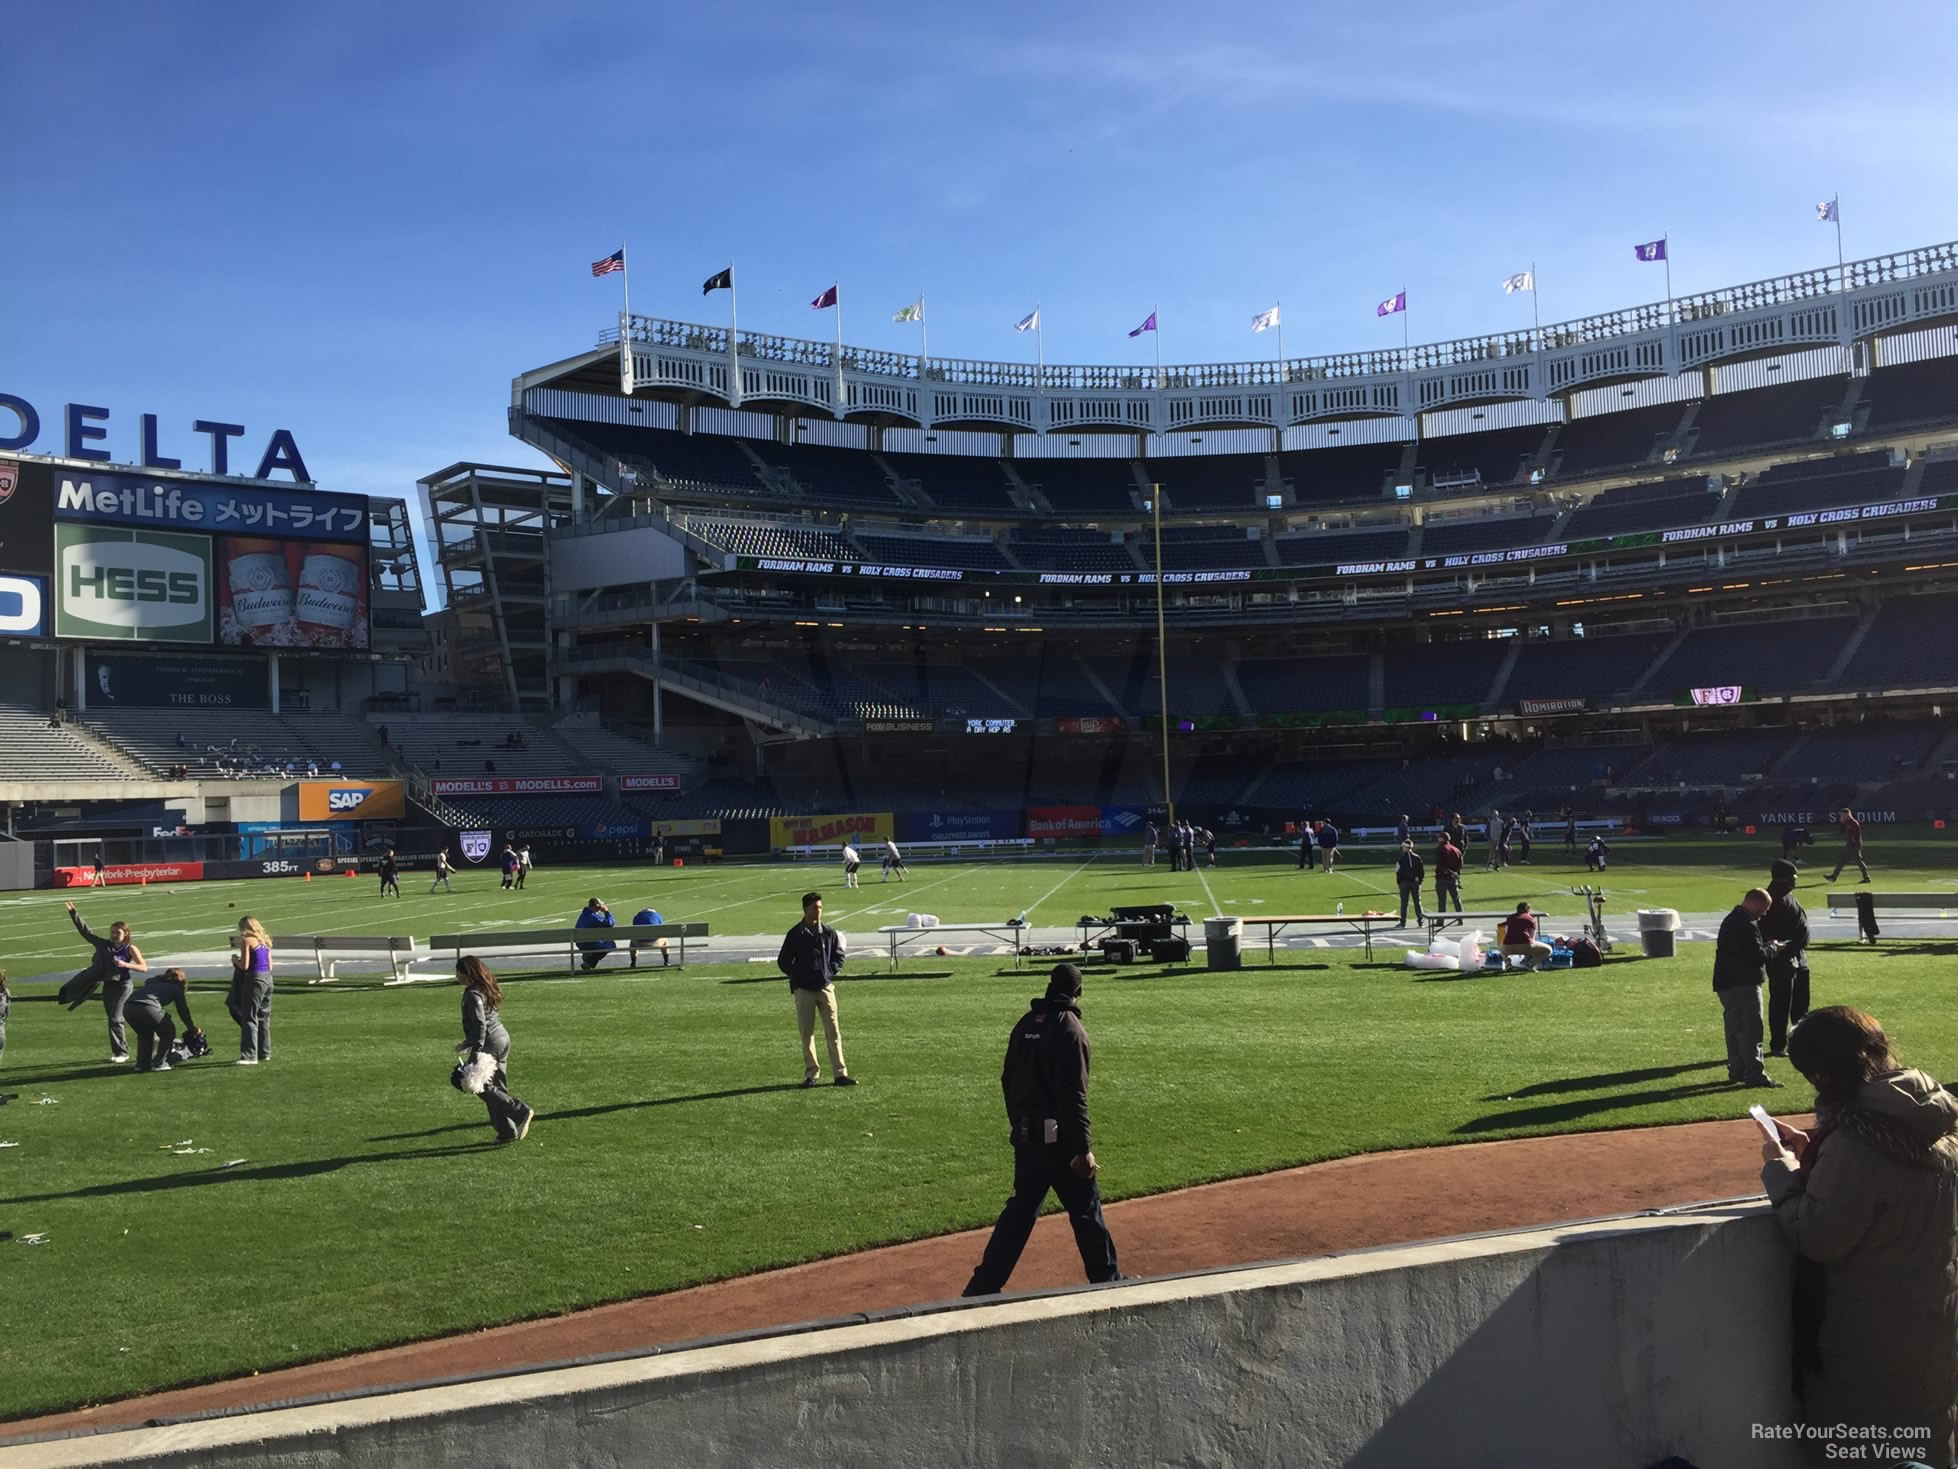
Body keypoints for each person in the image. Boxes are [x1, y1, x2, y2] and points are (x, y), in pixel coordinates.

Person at [1757, 1007, 1958, 1463]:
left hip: (1869, 1335)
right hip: (1935, 1319)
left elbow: (1818, 1236)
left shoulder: (1855, 1141)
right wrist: (1815, 1154)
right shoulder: (1931, 1122)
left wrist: (1781, 1170)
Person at [962, 963, 1123, 1297]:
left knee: (1019, 1215)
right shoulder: (1070, 1029)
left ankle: (983, 1286)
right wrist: (1083, 1149)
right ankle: (1108, 1283)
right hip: (1061, 1144)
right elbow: (1073, 1096)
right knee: (1086, 1211)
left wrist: (1018, 1124)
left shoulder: (1024, 1025)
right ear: (1078, 991)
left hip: (1027, 1140)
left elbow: (1007, 1080)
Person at [776, 891, 854, 1087]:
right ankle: (812, 1074)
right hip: (804, 990)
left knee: (833, 1031)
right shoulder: (796, 934)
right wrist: (798, 976)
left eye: (820, 907)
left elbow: (839, 956)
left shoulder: (828, 932)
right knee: (807, 1032)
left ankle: (840, 1073)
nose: (818, 911)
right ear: (805, 909)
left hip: (825, 987)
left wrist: (829, 973)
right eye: (814, 908)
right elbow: (783, 961)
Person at [455, 956, 534, 1143]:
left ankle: (519, 1111)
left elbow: (481, 1025)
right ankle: (507, 1132)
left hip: (490, 1043)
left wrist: (475, 1052)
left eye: (458, 971)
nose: (456, 975)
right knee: (496, 1087)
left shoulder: (473, 994)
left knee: (480, 1085)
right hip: (502, 1038)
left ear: (466, 973)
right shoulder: (485, 987)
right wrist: (467, 1042)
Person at [1713, 888, 1784, 1089]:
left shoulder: (1731, 920)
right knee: (1751, 1029)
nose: (1765, 913)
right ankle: (1754, 1074)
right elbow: (1755, 956)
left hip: (1726, 983)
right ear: (1755, 903)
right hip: (1743, 983)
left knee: (1734, 1029)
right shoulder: (1746, 923)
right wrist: (1773, 948)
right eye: (1764, 908)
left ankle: (1737, 1069)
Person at [62, 901, 146, 1062]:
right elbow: (86, 933)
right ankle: (119, 1051)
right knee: (113, 1019)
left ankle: (122, 1053)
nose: (114, 935)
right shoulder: (104, 945)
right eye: (112, 932)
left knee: (116, 1018)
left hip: (123, 985)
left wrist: (125, 964)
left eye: (118, 932)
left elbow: (143, 967)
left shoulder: (130, 949)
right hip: (109, 985)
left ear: (125, 934)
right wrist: (74, 914)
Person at [1762, 859, 1811, 1059]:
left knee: (1801, 1003)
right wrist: (1781, 949)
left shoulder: (1786, 896)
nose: (1795, 879)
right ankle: (1779, 1044)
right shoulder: (1772, 899)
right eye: (1792, 876)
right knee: (1782, 1002)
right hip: (1783, 958)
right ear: (1782, 877)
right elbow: (1767, 930)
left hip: (1798, 957)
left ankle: (1799, 1042)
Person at [124, 967, 201, 1073]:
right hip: (148, 1007)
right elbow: (183, 1011)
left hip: (128, 1007)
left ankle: (142, 1064)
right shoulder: (176, 988)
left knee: (145, 1035)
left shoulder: (152, 983)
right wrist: (191, 1028)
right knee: (168, 1032)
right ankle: (160, 1063)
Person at [227, 917, 274, 1065]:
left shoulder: (247, 941)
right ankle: (264, 1052)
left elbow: (245, 966)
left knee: (249, 1017)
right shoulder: (265, 942)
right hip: (268, 979)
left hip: (255, 980)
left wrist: (235, 960)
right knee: (263, 1017)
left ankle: (249, 1055)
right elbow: (270, 966)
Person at [1497, 901, 1553, 970]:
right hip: (1525, 946)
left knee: (1501, 947)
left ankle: (1507, 963)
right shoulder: (1530, 919)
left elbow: (1506, 932)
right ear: (1528, 910)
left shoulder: (1510, 918)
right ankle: (1530, 964)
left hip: (1508, 946)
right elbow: (1532, 939)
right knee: (1548, 950)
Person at [1825, 807, 1871, 884]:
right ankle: (1833, 876)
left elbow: (1856, 836)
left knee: (1859, 862)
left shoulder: (1853, 823)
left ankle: (1867, 878)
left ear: (1847, 814)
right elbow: (1841, 831)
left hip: (1854, 846)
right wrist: (1842, 823)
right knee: (1842, 861)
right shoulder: (1847, 823)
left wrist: (1855, 844)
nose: (1841, 817)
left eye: (1842, 815)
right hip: (1850, 846)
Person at [575, 898, 617, 971]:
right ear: (597, 906)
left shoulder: (584, 915)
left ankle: (589, 958)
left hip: (580, 942)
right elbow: (610, 923)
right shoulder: (593, 917)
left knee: (602, 942)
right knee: (610, 945)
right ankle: (589, 962)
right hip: (589, 943)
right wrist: (606, 911)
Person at [1394, 839, 1426, 928]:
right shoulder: (1417, 857)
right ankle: (1420, 922)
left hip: (1404, 883)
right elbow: (1421, 871)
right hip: (1415, 882)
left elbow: (1398, 871)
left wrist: (1399, 881)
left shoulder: (1401, 858)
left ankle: (1403, 922)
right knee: (1417, 902)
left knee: (1404, 903)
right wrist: (1420, 881)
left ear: (1405, 847)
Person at [1433, 833, 1464, 923]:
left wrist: (1447, 871)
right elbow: (1460, 864)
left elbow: (1440, 864)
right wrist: (1454, 872)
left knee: (1442, 900)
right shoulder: (1456, 849)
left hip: (1442, 878)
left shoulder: (1440, 849)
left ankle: (1440, 920)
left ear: (1442, 839)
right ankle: (1460, 918)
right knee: (1456, 898)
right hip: (1453, 877)